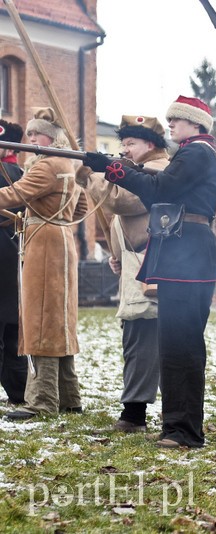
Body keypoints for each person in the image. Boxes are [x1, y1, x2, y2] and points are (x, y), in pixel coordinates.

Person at [84, 96, 216, 448]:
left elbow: (162, 188)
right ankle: (177, 427)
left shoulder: (197, 152)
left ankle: (184, 431)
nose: (170, 125)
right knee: (175, 346)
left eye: (178, 120)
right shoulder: (191, 154)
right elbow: (158, 182)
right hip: (182, 251)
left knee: (182, 347)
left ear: (196, 124)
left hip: (187, 251)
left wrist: (114, 170)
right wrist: (115, 167)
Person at [77, 115, 169, 432]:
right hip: (134, 263)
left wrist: (96, 172)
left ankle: (133, 417)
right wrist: (116, 255)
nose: (126, 149)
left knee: (141, 340)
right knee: (135, 340)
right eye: (124, 144)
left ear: (150, 144)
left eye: (131, 143)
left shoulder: (158, 170)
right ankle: (134, 414)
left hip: (149, 266)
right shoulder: (135, 170)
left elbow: (120, 201)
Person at [2, 108, 86, 420]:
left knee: (41, 317)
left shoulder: (46, 166)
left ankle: (42, 400)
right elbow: (82, 205)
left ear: (49, 137)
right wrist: (58, 220)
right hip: (61, 238)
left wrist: (42, 220)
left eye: (36, 134)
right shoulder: (68, 164)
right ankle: (68, 396)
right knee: (59, 318)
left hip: (44, 244)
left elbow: (15, 193)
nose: (31, 139)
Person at [0, 119, 27, 405]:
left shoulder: (12, 172)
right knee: (12, 326)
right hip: (16, 248)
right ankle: (18, 392)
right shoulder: (21, 171)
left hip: (5, 247)